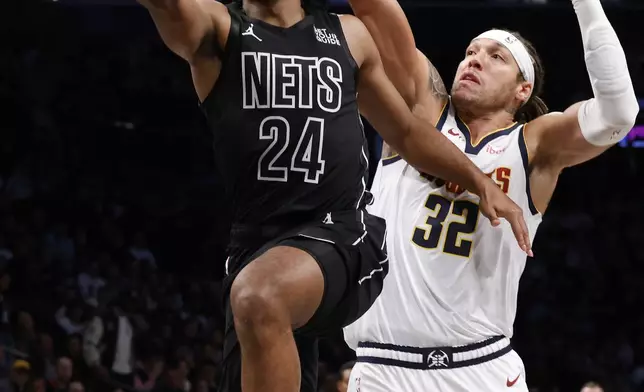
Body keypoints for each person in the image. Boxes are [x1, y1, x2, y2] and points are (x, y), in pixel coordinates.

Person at [136, 0, 534, 390]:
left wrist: (480, 182)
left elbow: (408, 133)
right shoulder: (219, 28)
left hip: (344, 235)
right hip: (259, 247)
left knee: (260, 296)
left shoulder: (347, 33)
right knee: (257, 308)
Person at [343, 0, 638, 390]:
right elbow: (375, 12)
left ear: (522, 89)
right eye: (470, 52)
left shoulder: (534, 145)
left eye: (495, 56)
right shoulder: (420, 108)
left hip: (479, 366)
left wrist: (585, 4)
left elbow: (618, 115)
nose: (474, 60)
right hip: (383, 367)